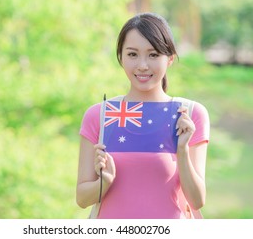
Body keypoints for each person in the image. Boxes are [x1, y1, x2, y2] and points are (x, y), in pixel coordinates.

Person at [76, 13, 210, 219]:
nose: (142, 65)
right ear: (120, 57)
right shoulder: (100, 115)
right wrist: (105, 181)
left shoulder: (190, 115)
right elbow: (82, 199)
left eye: (153, 55)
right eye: (132, 54)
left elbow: (197, 200)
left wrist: (181, 150)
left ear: (170, 59)